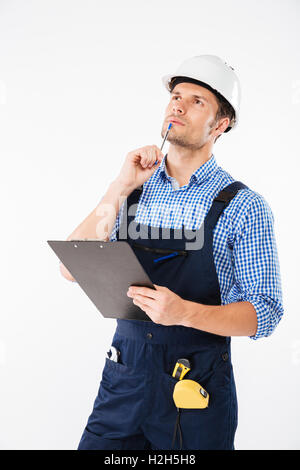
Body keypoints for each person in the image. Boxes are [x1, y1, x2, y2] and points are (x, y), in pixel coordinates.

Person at [60, 55, 284, 450]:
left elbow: (264, 314)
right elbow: (70, 266)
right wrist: (119, 185)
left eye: (197, 100)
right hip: (123, 384)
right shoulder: (133, 190)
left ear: (221, 125)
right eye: (176, 96)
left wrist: (183, 313)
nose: (178, 105)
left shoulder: (243, 205)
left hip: (195, 390)